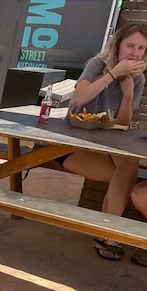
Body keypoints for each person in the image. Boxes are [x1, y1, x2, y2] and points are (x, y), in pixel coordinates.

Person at [60, 23, 147, 261]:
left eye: (141, 48)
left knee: (127, 167)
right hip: (71, 143)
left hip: (106, 146)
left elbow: (122, 124)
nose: (134, 53)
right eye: (130, 46)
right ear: (118, 46)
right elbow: (78, 99)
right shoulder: (97, 65)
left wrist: (128, 93)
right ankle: (108, 235)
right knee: (125, 175)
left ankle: (108, 235)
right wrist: (113, 74)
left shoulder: (137, 80)